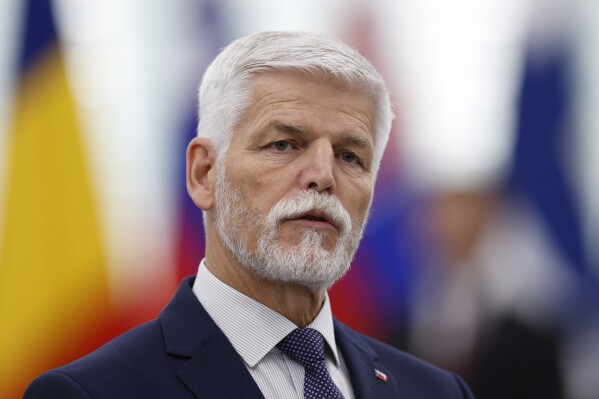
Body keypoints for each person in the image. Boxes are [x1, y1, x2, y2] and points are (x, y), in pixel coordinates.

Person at [24, 31, 474, 399]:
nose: (323, 175)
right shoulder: (91, 393)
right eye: (284, 144)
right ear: (204, 173)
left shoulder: (437, 391)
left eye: (350, 156)